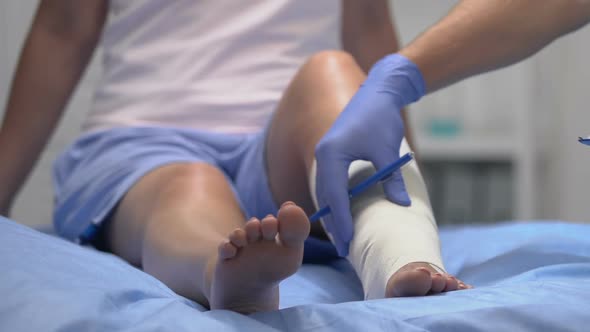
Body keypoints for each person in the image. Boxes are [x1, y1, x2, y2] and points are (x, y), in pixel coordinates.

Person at [15, 0, 590, 315]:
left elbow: (369, 27)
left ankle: (400, 256)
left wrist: (410, 179)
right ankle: (227, 273)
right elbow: (63, 29)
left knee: (336, 72)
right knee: (186, 186)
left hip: (284, 139)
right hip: (141, 136)